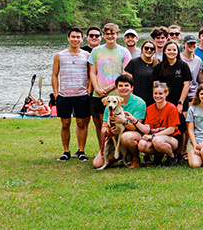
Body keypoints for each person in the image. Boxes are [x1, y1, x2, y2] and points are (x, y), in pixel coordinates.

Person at [88, 23, 132, 149]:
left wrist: (111, 88)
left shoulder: (124, 52)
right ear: (103, 35)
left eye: (112, 33)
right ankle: (103, 149)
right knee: (103, 124)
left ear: (117, 35)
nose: (110, 36)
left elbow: (125, 73)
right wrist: (96, 88)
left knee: (118, 122)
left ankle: (120, 149)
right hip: (99, 94)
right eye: (107, 34)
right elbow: (92, 71)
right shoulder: (96, 51)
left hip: (118, 95)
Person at [90, 75, 147, 168]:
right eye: (120, 86)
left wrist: (124, 121)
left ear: (132, 88)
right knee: (97, 164)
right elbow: (103, 128)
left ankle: (135, 159)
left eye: (126, 85)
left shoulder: (139, 103)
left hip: (132, 135)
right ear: (116, 88)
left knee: (126, 137)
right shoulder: (110, 104)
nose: (123, 88)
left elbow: (136, 128)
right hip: (115, 138)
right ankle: (121, 155)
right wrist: (109, 131)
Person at [52, 27, 92, 162]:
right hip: (64, 95)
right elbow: (55, 75)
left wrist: (89, 90)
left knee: (81, 123)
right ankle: (66, 151)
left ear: (82, 39)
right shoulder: (60, 55)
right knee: (65, 123)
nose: (75, 39)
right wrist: (56, 93)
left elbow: (91, 74)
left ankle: (81, 151)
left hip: (81, 94)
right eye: (73, 37)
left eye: (78, 37)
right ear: (68, 38)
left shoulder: (86, 55)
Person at [138, 83, 182, 167]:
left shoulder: (171, 108)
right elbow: (147, 127)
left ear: (166, 94)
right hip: (155, 137)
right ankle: (158, 155)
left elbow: (171, 129)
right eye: (155, 93)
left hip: (171, 138)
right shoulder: (149, 109)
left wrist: (153, 135)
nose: (158, 96)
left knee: (157, 141)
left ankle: (171, 156)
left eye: (160, 93)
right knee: (141, 145)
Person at [152, 42, 191, 108]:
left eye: (174, 50)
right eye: (169, 50)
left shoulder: (183, 65)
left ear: (178, 52)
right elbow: (156, 85)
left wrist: (180, 102)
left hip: (180, 102)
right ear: (164, 51)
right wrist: (161, 101)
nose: (171, 52)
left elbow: (186, 85)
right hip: (164, 102)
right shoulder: (158, 67)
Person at [124, 40, 159, 106]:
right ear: (142, 49)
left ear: (154, 51)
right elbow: (128, 82)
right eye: (146, 48)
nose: (149, 50)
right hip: (137, 100)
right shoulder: (134, 63)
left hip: (153, 100)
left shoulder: (157, 63)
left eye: (152, 49)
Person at [180, 35, 202, 106]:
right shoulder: (179, 58)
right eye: (189, 43)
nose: (192, 45)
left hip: (193, 94)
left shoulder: (198, 60)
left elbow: (201, 78)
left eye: (194, 44)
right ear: (184, 44)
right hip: (181, 93)